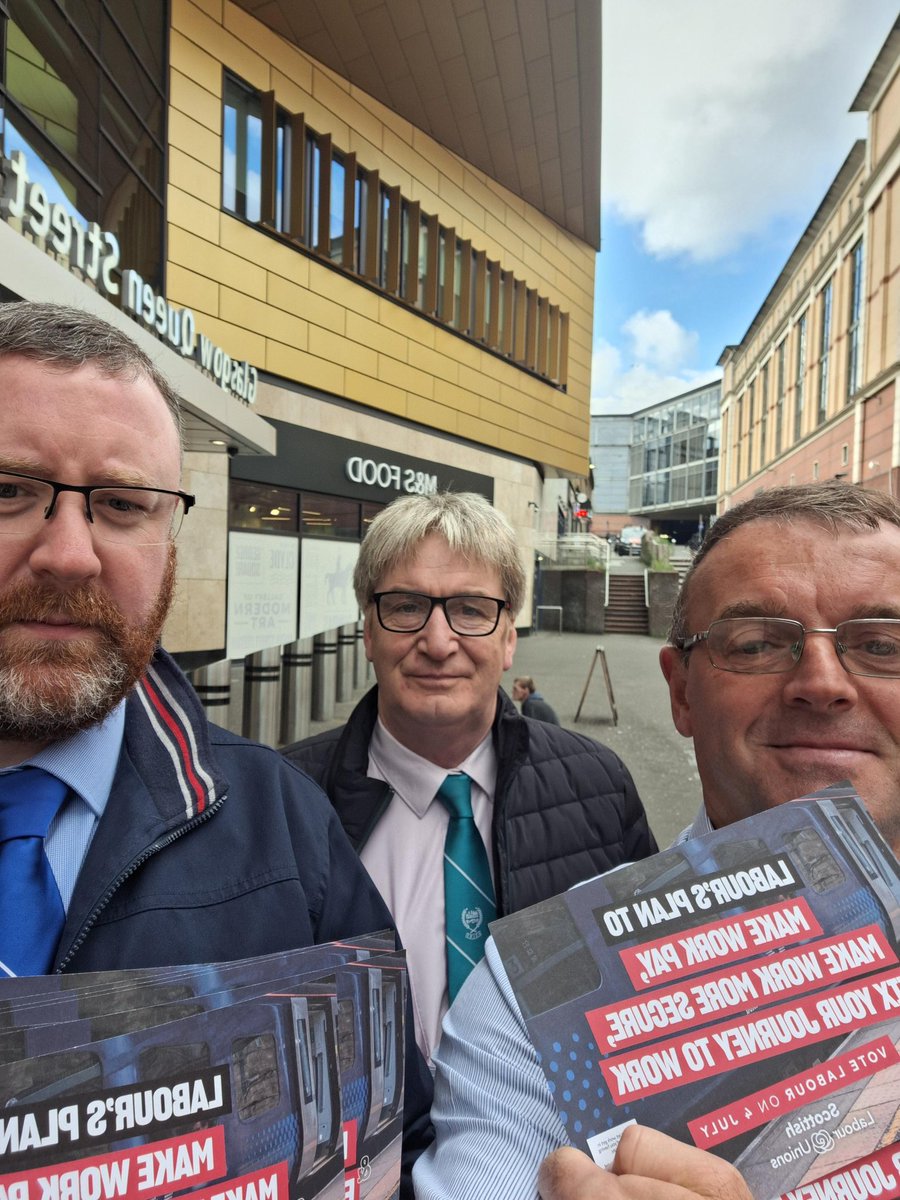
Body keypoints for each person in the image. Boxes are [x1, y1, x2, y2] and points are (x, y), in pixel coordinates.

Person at [0, 300, 430, 1194]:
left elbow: (397, 1139)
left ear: (170, 541)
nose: (70, 553)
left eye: (122, 505)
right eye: (8, 491)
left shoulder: (284, 825)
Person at [414, 480, 900, 1200]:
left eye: (883, 644)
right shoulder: (533, 994)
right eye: (757, 643)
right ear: (680, 693)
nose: (821, 683)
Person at [283, 492, 656, 1063]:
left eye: (472, 610)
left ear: (509, 638)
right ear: (367, 633)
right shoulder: (282, 801)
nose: (437, 643)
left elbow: (644, 998)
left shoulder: (599, 790)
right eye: (406, 607)